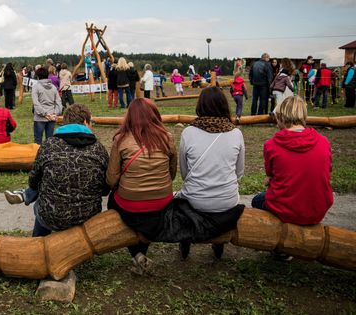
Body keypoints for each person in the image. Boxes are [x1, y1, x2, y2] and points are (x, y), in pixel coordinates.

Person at [4, 104, 109, 237]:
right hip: (88, 218)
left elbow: (34, 181)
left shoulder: (48, 145)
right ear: (85, 122)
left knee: (43, 200)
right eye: (91, 122)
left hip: (52, 217)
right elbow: (105, 189)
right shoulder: (99, 149)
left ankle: (37, 241)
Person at [252, 96, 333, 261]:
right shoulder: (324, 142)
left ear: (282, 118)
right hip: (317, 209)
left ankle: (280, 246)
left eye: (277, 119)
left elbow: (271, 174)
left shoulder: (271, 145)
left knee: (257, 201)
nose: (276, 123)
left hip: (286, 209)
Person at [106, 97, 178, 274]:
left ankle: (137, 253)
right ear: (155, 115)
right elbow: (172, 173)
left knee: (113, 203)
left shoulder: (121, 140)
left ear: (129, 117)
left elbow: (111, 179)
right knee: (147, 217)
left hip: (130, 204)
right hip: (162, 202)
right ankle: (140, 252)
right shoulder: (167, 138)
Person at [177, 86, 245, 259]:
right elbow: (239, 172)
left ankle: (185, 240)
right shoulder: (236, 133)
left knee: (178, 201)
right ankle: (219, 243)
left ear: (200, 105)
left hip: (195, 199)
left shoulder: (188, 133)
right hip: (227, 200)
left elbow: (185, 174)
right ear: (224, 106)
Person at [32, 67, 63, 145]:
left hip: (40, 118)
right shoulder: (53, 87)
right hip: (51, 117)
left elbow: (36, 103)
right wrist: (55, 113)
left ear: (38, 76)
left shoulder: (36, 87)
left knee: (38, 141)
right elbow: (59, 102)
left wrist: (46, 114)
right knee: (50, 141)